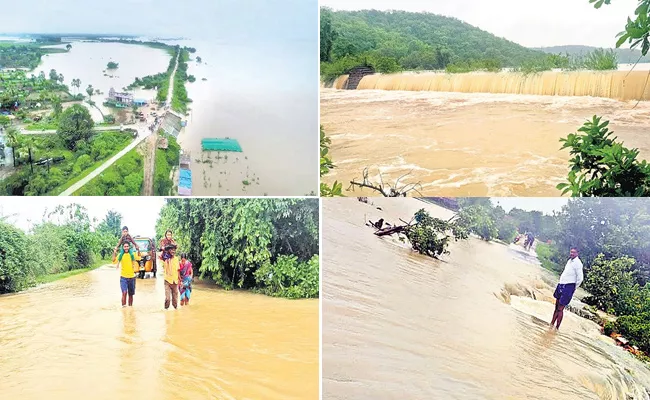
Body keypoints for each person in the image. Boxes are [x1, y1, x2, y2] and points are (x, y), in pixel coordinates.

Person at [550, 247, 584, 330]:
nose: (572, 254)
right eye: (571, 252)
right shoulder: (569, 261)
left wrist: (573, 288)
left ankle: (557, 328)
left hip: (569, 287)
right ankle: (551, 324)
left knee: (560, 308)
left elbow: (580, 278)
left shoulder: (578, 264)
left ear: (577, 253)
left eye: (574, 252)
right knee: (556, 307)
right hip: (561, 284)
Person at [114, 242, 136, 307]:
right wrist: (114, 253)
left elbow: (139, 258)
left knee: (131, 294)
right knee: (124, 293)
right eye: (125, 246)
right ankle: (123, 308)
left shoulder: (132, 254)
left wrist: (138, 249)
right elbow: (113, 260)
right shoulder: (120, 255)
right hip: (123, 278)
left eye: (127, 246)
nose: (126, 248)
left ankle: (130, 308)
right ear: (123, 247)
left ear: (129, 247)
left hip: (132, 277)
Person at [163, 244, 180, 310]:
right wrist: (167, 258)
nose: (173, 251)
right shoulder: (166, 259)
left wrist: (180, 280)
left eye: (174, 250)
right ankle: (166, 310)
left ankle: (175, 311)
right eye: (171, 250)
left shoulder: (176, 259)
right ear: (169, 251)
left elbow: (178, 270)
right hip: (167, 281)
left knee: (175, 300)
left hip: (175, 281)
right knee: (167, 299)